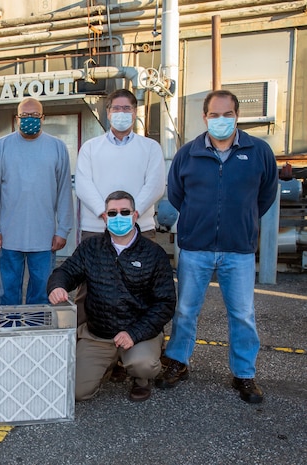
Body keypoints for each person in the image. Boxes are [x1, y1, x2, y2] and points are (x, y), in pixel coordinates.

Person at [156, 89, 279, 404]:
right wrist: (199, 222)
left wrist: (242, 220)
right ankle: (179, 362)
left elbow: (265, 195)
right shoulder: (188, 153)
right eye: (214, 114)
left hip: (238, 249)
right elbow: (178, 195)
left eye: (227, 114)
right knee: (185, 310)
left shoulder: (258, 151)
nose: (220, 120)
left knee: (242, 314)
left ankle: (244, 373)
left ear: (237, 116)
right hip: (195, 247)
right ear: (205, 117)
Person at [47, 191, 176, 402]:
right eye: (112, 213)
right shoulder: (91, 247)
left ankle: (140, 379)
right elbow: (66, 272)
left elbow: (165, 303)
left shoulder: (154, 253)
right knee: (76, 392)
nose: (119, 217)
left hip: (137, 334)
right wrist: (57, 286)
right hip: (99, 334)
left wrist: (134, 333)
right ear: (104, 217)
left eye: (124, 212)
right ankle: (108, 365)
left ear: (135, 216)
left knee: (144, 365)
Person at [74, 88, 166, 325]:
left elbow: (155, 185)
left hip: (140, 228)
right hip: (96, 228)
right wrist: (106, 214)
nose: (121, 113)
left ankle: (143, 342)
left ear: (135, 113)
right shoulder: (91, 147)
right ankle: (83, 342)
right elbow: (83, 184)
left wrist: (130, 216)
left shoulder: (150, 148)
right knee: (89, 288)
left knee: (143, 287)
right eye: (116, 108)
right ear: (108, 113)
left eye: (126, 108)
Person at [0, 97, 74, 305]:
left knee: (42, 292)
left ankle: (36, 334)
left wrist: (63, 230)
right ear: (17, 118)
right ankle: (10, 332)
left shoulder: (57, 147)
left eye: (35, 115)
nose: (30, 119)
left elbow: (64, 191)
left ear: (43, 118)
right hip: (8, 236)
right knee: (9, 292)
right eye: (25, 116)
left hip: (44, 237)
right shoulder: (1, 147)